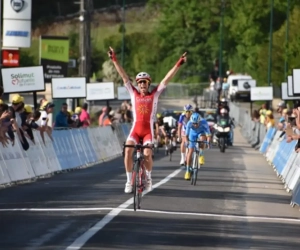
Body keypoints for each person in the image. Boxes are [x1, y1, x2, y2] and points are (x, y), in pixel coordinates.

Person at [108, 46, 187, 193]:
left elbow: (166, 79)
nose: (142, 84)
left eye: (145, 82)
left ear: (148, 84)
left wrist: (178, 64)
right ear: (137, 84)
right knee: (127, 152)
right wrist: (114, 59)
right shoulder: (133, 93)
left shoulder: (154, 95)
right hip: (135, 130)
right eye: (140, 82)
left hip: (147, 132)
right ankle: (128, 181)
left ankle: (149, 177)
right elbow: (124, 77)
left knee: (147, 154)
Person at [185, 112, 211, 180]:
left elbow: (208, 135)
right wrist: (187, 142)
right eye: (194, 123)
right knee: (190, 151)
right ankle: (187, 171)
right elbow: (186, 136)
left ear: (199, 121)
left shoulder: (204, 122)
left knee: (202, 139)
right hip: (192, 134)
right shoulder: (189, 123)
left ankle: (201, 155)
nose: (195, 125)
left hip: (201, 133)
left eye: (196, 123)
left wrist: (208, 142)